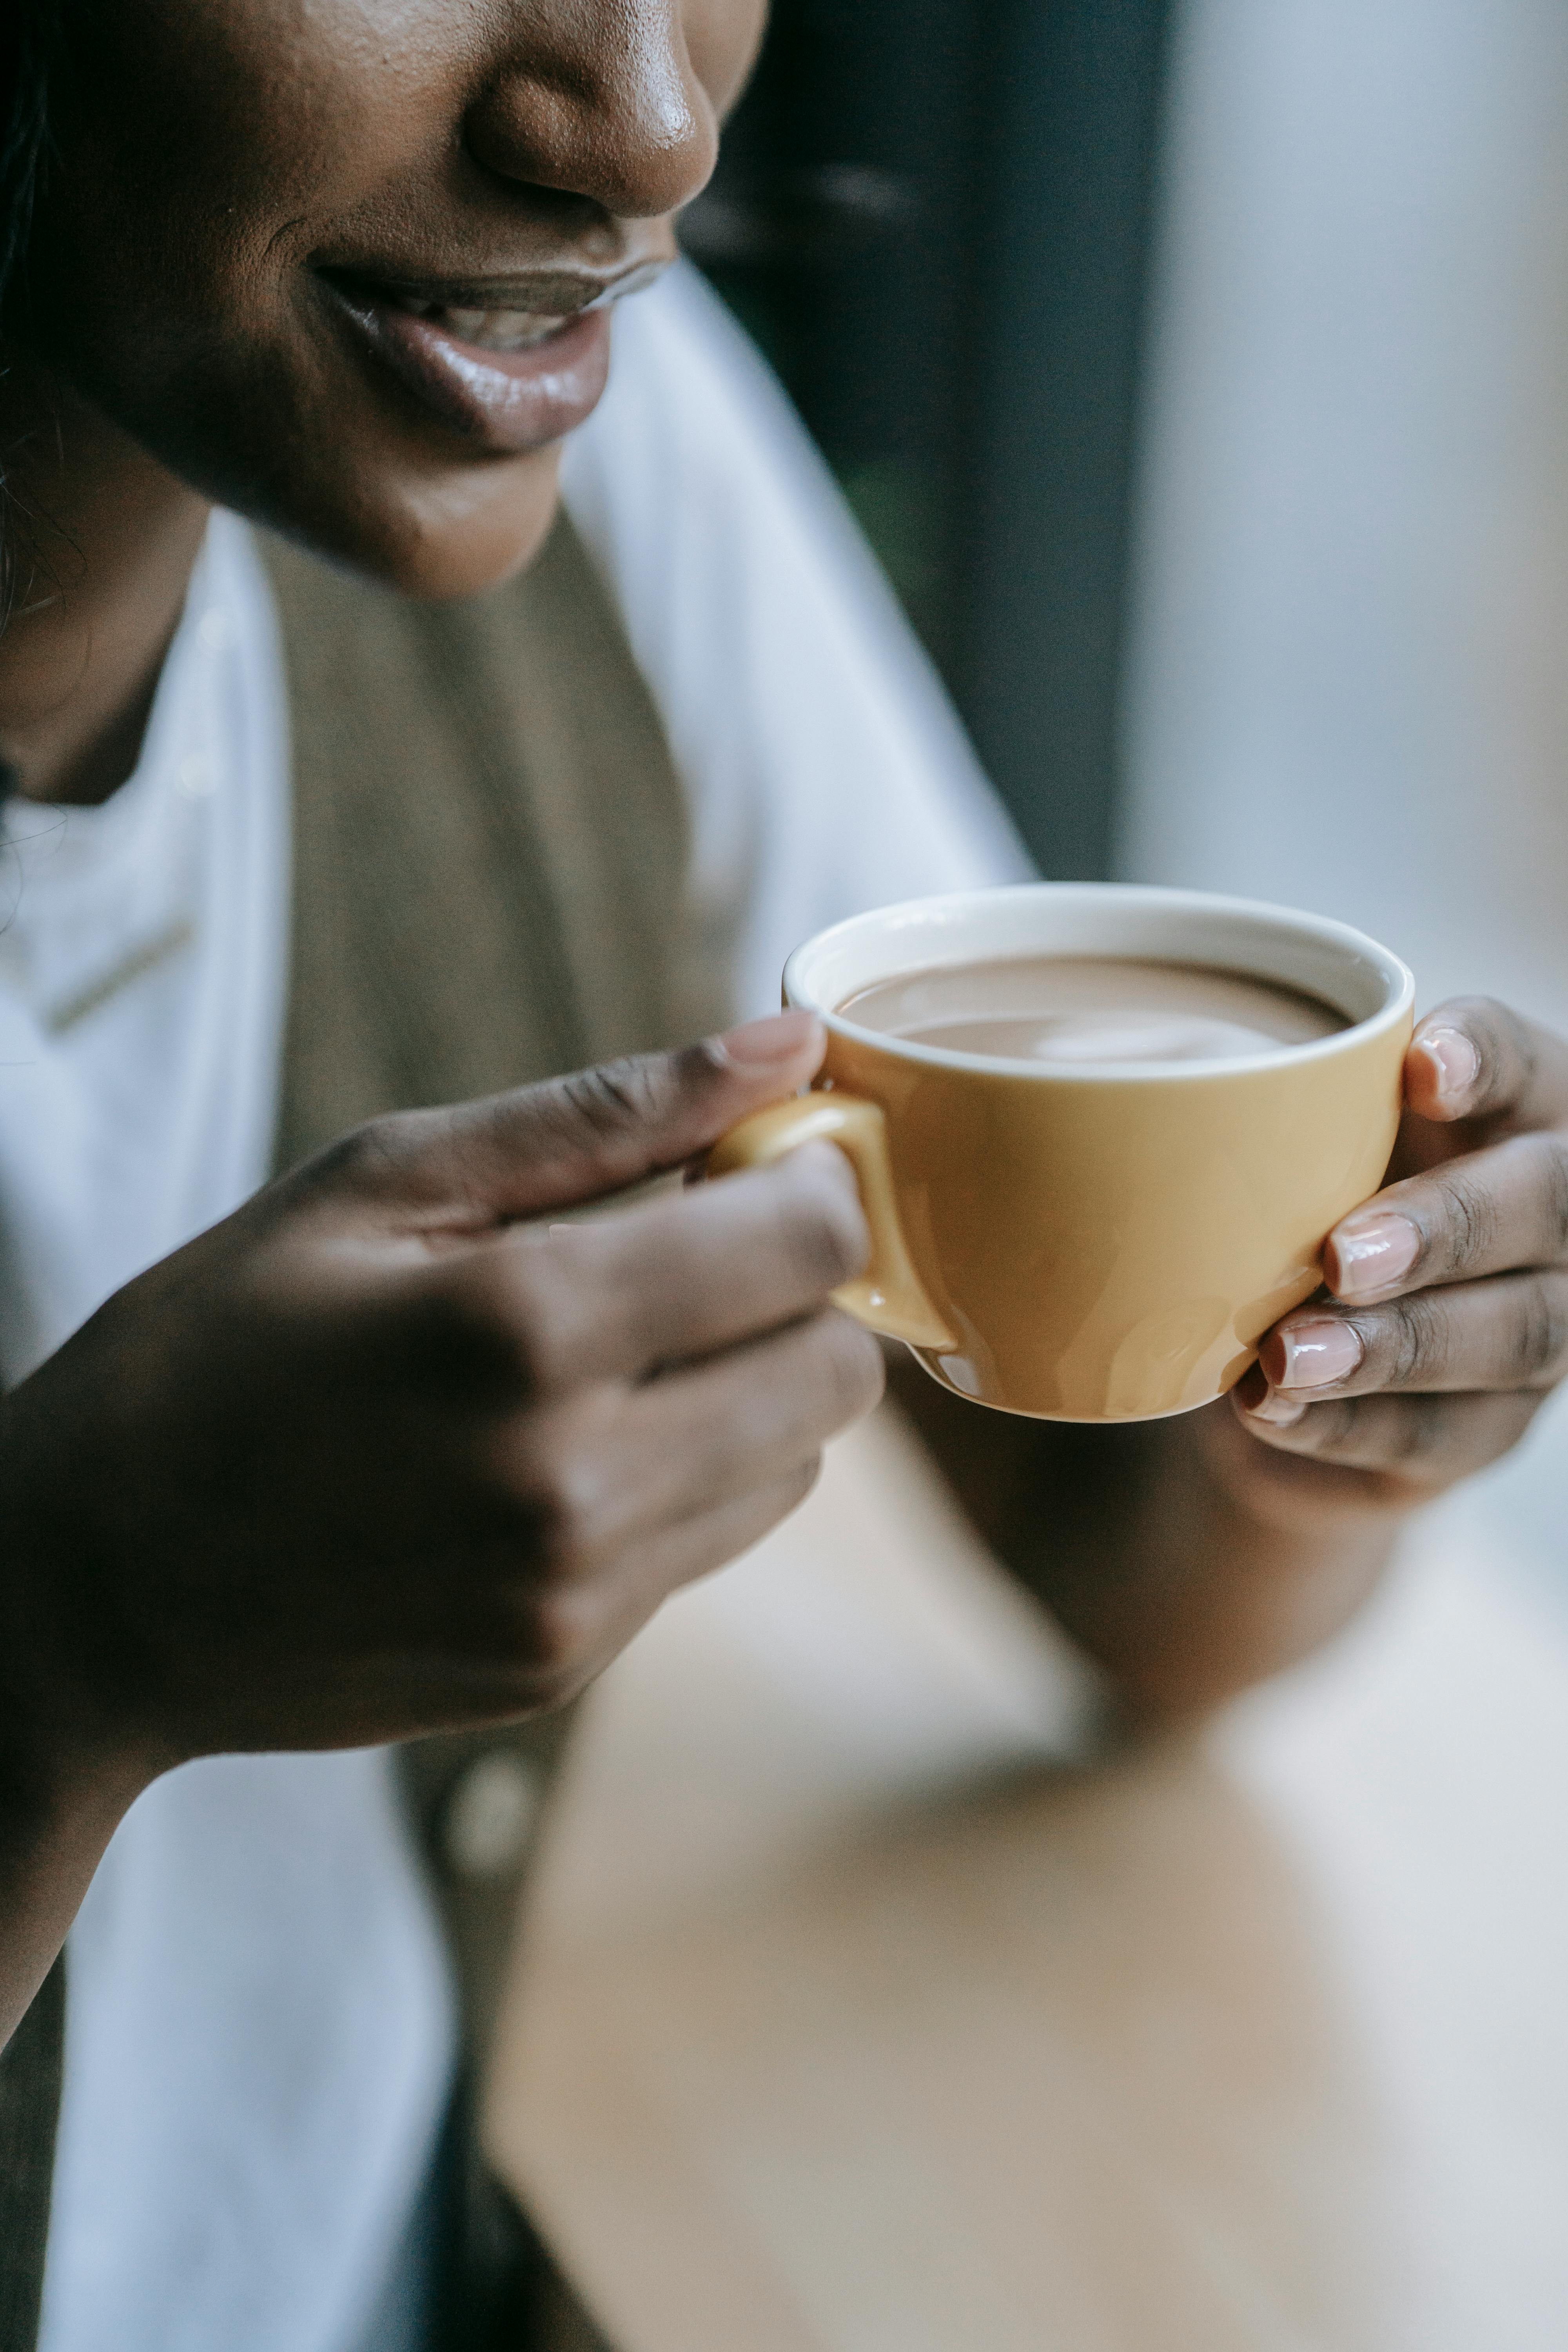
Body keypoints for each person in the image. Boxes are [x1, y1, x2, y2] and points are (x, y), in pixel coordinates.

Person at [1, 2, 1566, 2346]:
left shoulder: (600, 459)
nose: (643, 124)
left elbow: (1117, 1565)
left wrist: (1337, 1387)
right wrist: (61, 1638)